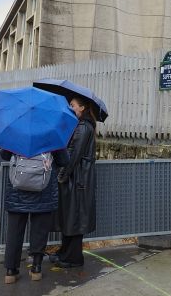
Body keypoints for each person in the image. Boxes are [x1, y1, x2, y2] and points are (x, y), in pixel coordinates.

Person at [1, 145, 69, 283]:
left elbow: (4, 155)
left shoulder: (17, 132)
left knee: (14, 232)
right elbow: (64, 160)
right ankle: (36, 268)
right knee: (39, 231)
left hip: (17, 191)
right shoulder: (51, 134)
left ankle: (10, 271)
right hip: (44, 190)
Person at [52, 96, 98, 268]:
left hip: (78, 180)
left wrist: (62, 176)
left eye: (73, 105)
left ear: (83, 107)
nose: (70, 108)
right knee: (70, 218)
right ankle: (65, 252)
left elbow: (72, 155)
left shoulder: (83, 127)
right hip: (78, 179)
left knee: (74, 218)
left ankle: (73, 257)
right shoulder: (83, 126)